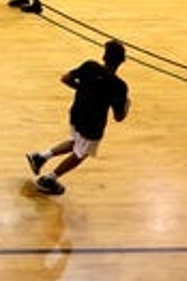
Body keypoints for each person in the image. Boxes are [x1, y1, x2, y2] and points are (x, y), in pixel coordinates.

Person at [26, 40, 130, 196]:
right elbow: (119, 116)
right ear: (122, 61)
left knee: (76, 142)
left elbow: (65, 78)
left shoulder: (90, 66)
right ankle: (49, 179)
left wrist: (83, 89)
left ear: (104, 56)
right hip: (93, 124)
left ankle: (40, 157)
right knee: (80, 154)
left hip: (76, 114)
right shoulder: (119, 86)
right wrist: (127, 104)